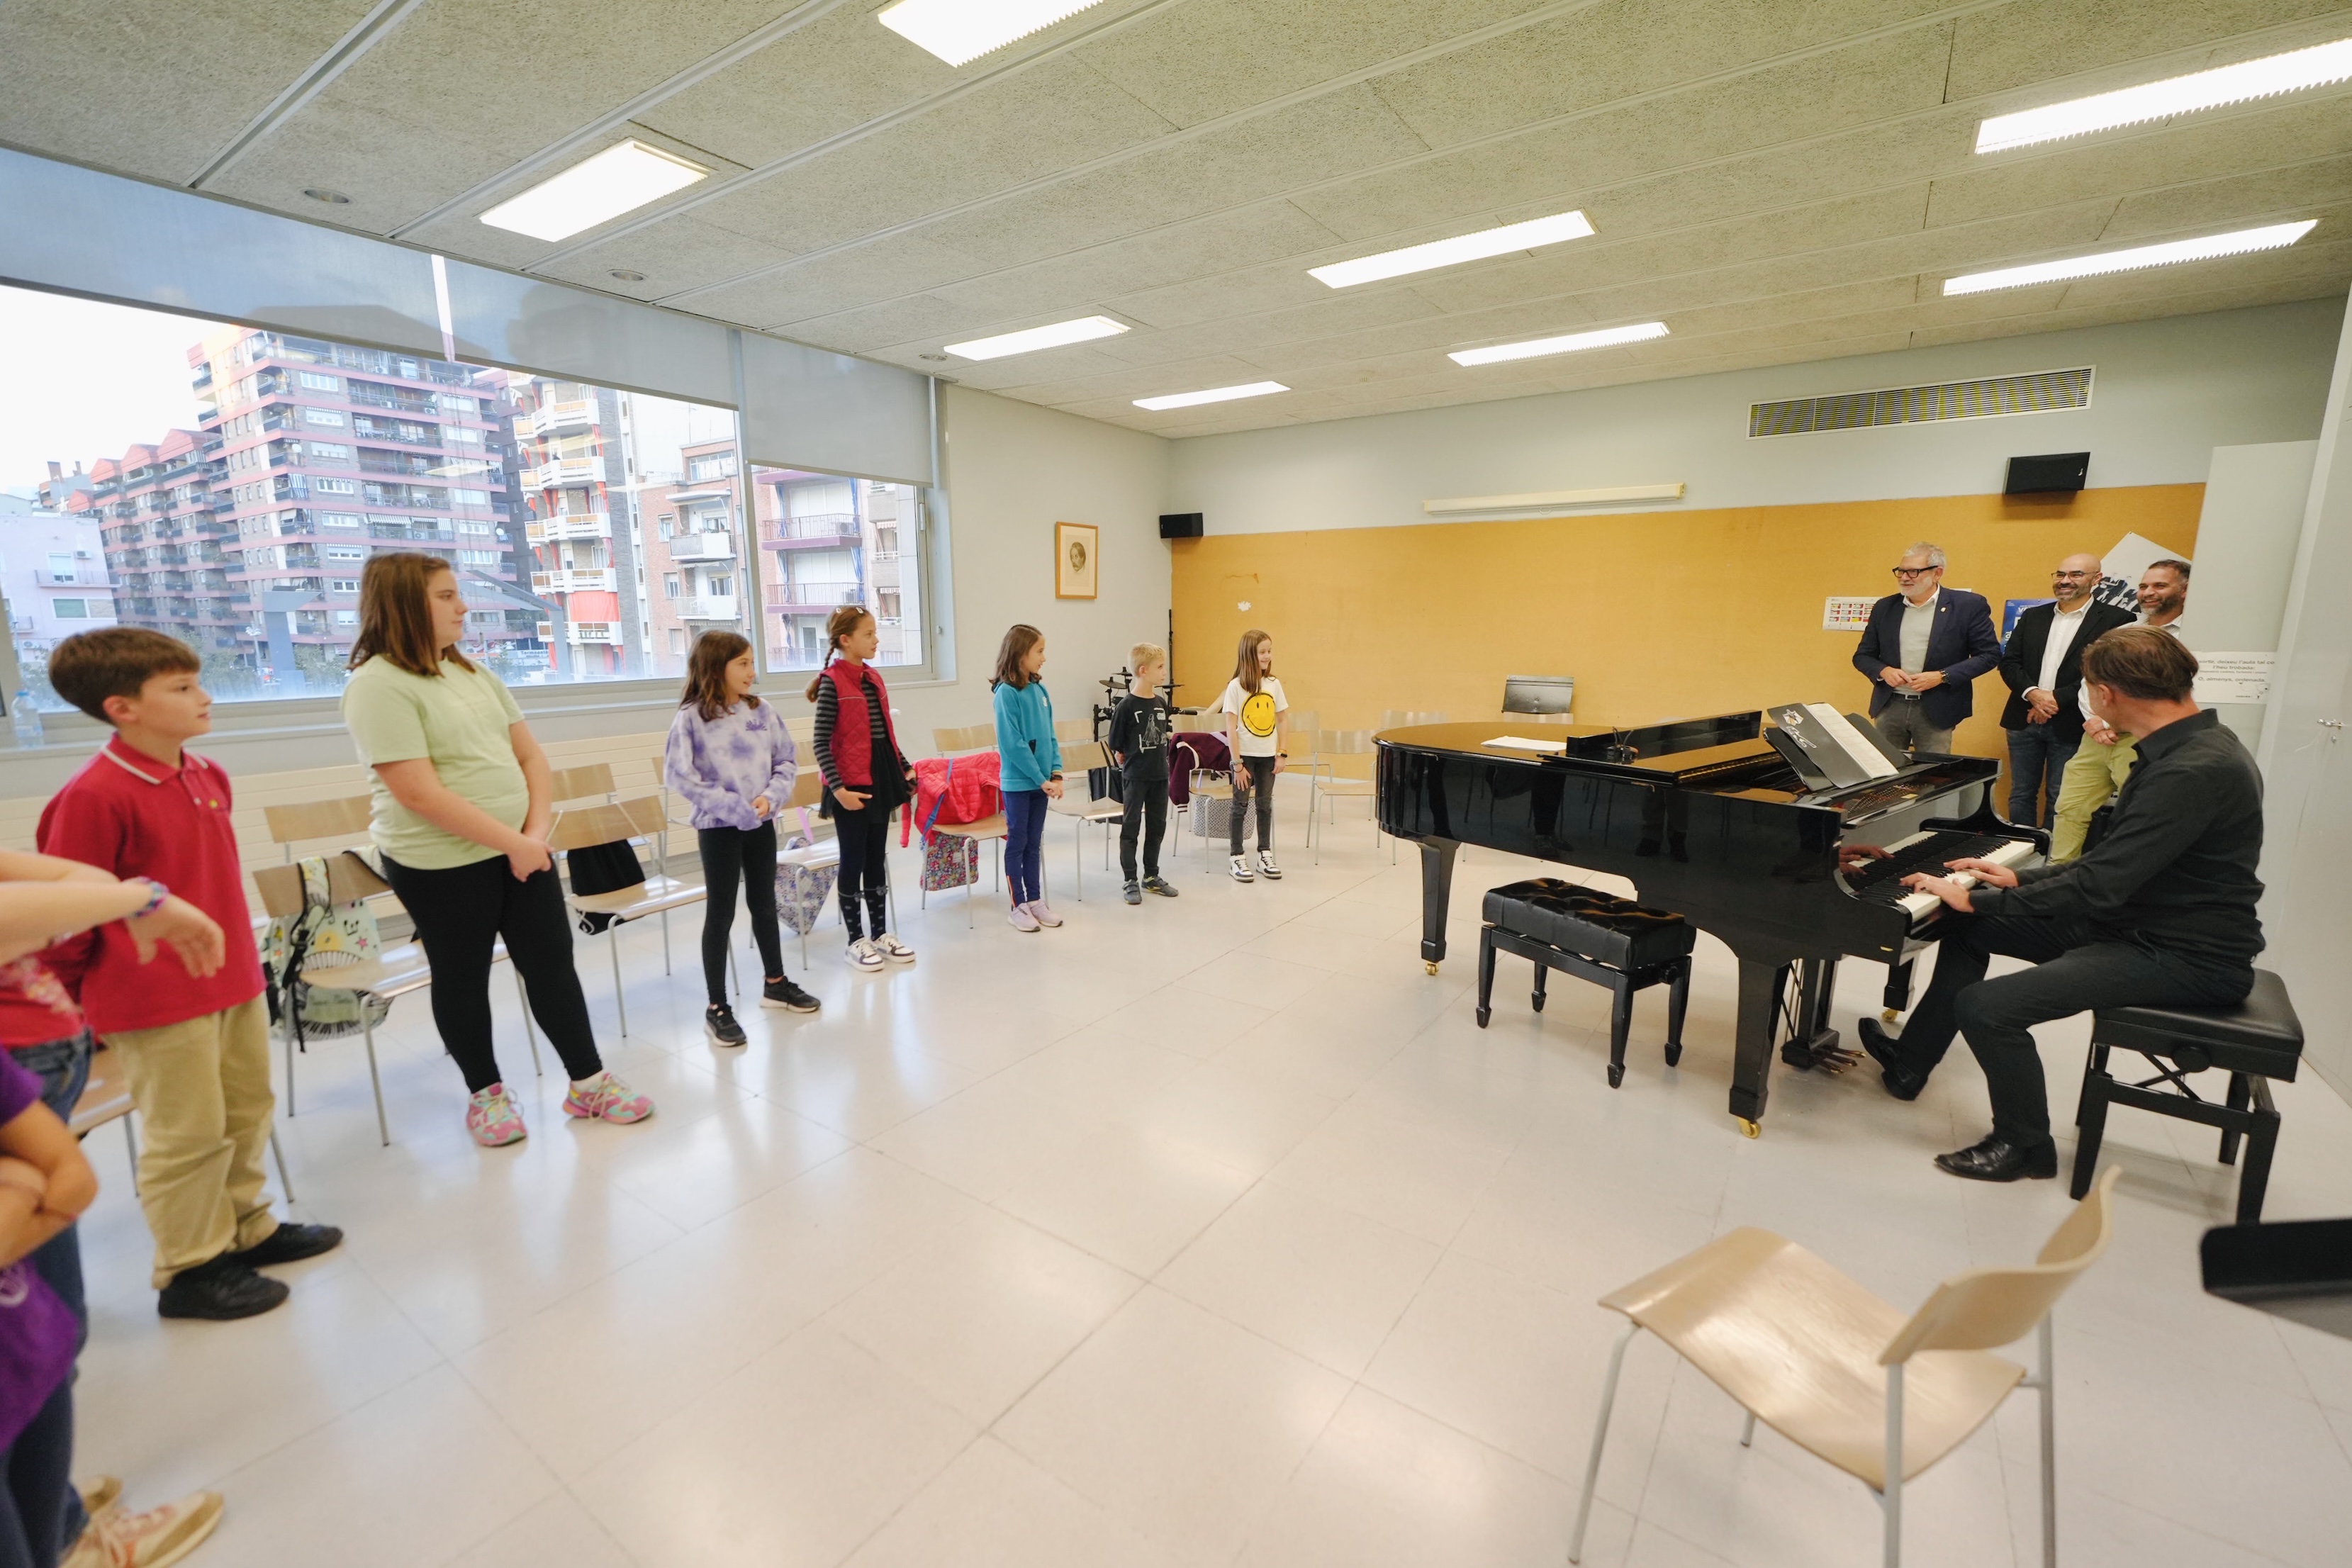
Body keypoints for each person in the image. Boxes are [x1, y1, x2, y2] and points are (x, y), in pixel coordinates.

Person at [1858, 628, 2261, 1180]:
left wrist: (1980, 901)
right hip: (2135, 925)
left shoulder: (2190, 771)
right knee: (1963, 929)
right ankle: (1910, 1065)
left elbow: (2102, 884)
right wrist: (2016, 883)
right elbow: (2117, 863)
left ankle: (2025, 1147)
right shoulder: (2192, 747)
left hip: (2183, 954)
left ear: (2106, 695)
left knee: (1987, 1006)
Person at [38, 629, 342, 1320]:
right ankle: (192, 1267)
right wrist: (75, 1011)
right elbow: (68, 917)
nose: (203, 696)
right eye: (180, 687)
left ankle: (247, 1227)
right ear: (122, 708)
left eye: (197, 681)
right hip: (152, 998)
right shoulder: (93, 796)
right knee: (187, 1132)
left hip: (232, 979)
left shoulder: (206, 774)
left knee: (244, 1110)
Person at [340, 554, 652, 1148]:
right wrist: (515, 843)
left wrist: (532, 837)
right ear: (405, 604)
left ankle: (588, 1083)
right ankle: (486, 1094)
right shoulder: (376, 685)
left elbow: (533, 758)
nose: (462, 606)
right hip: (440, 862)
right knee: (461, 978)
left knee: (551, 965)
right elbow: (417, 792)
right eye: (446, 596)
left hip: (523, 850)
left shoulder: (473, 673)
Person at [0, 863, 228, 1568]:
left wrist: (127, 897)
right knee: (29, 1342)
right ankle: (56, 1535)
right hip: (22, 1095)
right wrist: (139, 898)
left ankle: (54, 1516)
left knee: (46, 1333)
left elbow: (47, 874)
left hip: (29, 1101)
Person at [663, 632, 820, 1048]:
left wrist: (770, 800)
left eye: (753, 662)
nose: (753, 672)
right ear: (717, 668)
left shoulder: (762, 711)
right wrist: (732, 808)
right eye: (743, 664)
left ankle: (776, 983)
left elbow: (786, 759)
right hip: (719, 828)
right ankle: (717, 1007)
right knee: (721, 912)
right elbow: (680, 775)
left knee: (764, 904)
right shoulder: (691, 717)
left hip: (761, 822)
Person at [2050, 558, 2193, 861]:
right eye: (2143, 586)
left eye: (2159, 585)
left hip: (2146, 740)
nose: (2147, 593)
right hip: (2096, 736)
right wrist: (2094, 721)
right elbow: (2091, 679)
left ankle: (2129, 881)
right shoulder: (2124, 630)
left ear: (2185, 590)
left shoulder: (2194, 636)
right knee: (2070, 809)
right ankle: (2056, 877)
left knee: (2140, 816)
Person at [807, 606, 917, 971]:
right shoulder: (831, 681)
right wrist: (838, 790)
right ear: (845, 640)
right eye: (868, 633)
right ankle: (856, 939)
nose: (876, 639)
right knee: (852, 860)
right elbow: (821, 743)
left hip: (879, 779)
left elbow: (885, 734)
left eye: (875, 633)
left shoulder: (874, 678)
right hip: (848, 786)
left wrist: (904, 767)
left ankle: (881, 933)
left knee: (875, 859)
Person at [1995, 553, 2134, 827]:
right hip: (2023, 717)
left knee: (2062, 795)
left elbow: (2105, 673)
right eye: (2060, 575)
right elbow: (2010, 662)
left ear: (2097, 579)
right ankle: (2020, 847)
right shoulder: (2033, 616)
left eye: (2076, 575)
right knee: (2021, 793)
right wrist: (2034, 695)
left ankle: (2048, 855)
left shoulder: (2117, 620)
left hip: (2074, 721)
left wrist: (2055, 700)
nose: (2065, 581)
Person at [1851, 542, 2000, 754]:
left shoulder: (1967, 605)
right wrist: (1883, 671)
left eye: (1913, 572)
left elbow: (1990, 654)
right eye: (1901, 571)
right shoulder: (1885, 607)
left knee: (1932, 775)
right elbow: (1863, 656)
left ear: (1937, 573)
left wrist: (1942, 676)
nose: (1904, 578)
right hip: (1890, 705)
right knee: (1885, 771)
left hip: (1937, 708)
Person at [991, 625, 1065, 933]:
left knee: (1034, 843)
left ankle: (1035, 900)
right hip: (1019, 785)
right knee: (1017, 841)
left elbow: (1050, 736)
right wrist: (1039, 778)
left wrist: (1056, 773)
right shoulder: (1006, 694)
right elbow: (1014, 744)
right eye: (1039, 651)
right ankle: (1017, 905)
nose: (1044, 658)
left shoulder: (1040, 690)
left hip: (1041, 784)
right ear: (1020, 654)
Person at [1108, 644, 1180, 906]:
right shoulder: (1126, 706)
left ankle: (1151, 875)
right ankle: (1130, 878)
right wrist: (1124, 755)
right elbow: (1116, 741)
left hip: (1160, 775)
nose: (1164, 673)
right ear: (1143, 670)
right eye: (1160, 667)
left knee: (1157, 826)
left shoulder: (1161, 703)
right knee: (1131, 827)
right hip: (1136, 777)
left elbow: (1162, 735)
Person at [1219, 629, 1289, 882]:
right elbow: (1231, 727)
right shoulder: (1235, 687)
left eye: (1270, 651)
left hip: (1268, 756)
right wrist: (1237, 764)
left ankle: (1264, 854)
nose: (1268, 656)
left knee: (1264, 805)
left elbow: (1282, 719)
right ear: (1250, 654)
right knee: (1240, 806)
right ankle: (1236, 857)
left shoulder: (1274, 684)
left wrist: (1282, 753)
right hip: (1244, 759)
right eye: (1263, 652)